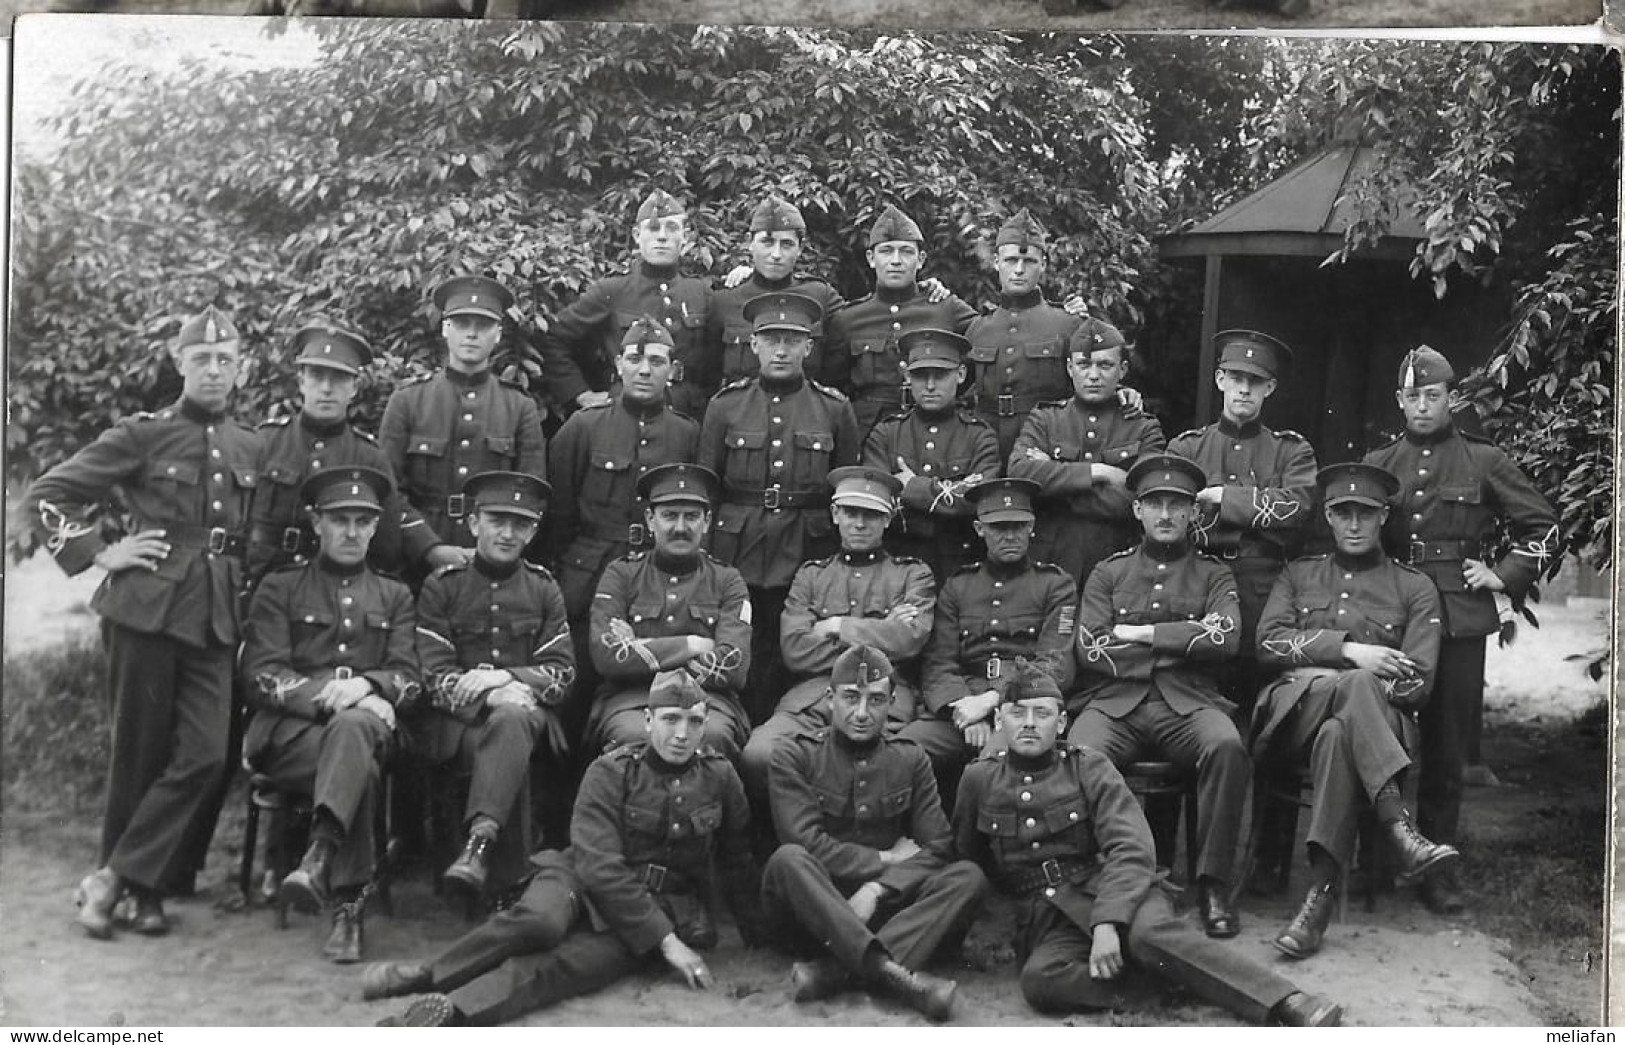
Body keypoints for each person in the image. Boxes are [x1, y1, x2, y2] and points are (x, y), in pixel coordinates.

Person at [24, 305, 257, 940]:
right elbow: (47, 494)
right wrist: (99, 552)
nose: (213, 369)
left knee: (207, 755)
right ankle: (143, 891)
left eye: (225, 359)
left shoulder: (250, 446)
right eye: (201, 359)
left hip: (215, 618)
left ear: (242, 369)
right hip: (144, 610)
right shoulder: (143, 435)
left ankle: (111, 878)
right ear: (178, 364)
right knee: (141, 755)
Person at [952, 662, 1343, 1027]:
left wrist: (1108, 920)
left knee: (1148, 936)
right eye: (1018, 713)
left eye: (1042, 714)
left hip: (1114, 887)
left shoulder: (1088, 766)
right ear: (1000, 719)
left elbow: (1131, 849)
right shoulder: (979, 780)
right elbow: (968, 858)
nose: (1030, 724)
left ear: (1062, 721)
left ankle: (1287, 1001)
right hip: (1049, 918)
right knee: (1041, 981)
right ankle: (1168, 985)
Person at [363, 670, 757, 1027]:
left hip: (651, 907)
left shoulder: (720, 776)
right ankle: (427, 973)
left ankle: (450, 1013)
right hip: (578, 879)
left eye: (694, 722)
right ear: (649, 720)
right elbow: (599, 866)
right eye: (671, 719)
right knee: (539, 923)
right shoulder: (611, 771)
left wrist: (758, 932)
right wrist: (668, 942)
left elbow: (737, 856)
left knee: (568, 968)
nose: (682, 734)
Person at [1360, 345, 1559, 915]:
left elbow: (1542, 525)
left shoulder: (1484, 460)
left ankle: (1438, 871)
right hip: (1392, 613)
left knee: (1447, 748)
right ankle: (1374, 859)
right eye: (1412, 396)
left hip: (1458, 612)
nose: (1422, 405)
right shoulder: (1380, 462)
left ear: (1453, 399)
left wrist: (1502, 575)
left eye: (1433, 396)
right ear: (1399, 401)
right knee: (1382, 735)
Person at [1251, 463, 1459, 959]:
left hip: (1368, 727)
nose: (1353, 524)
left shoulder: (1414, 588)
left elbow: (1417, 684)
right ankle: (1399, 828)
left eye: (1364, 514)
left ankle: (1316, 903)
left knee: (1337, 739)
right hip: (1292, 716)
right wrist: (1348, 653)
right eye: (1342, 513)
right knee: (1360, 681)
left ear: (1383, 516)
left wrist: (1357, 681)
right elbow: (1267, 645)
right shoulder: (1298, 574)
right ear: (1327, 516)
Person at [241, 466, 420, 963]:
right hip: (288, 738)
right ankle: (348, 909)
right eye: (340, 519)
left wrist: (367, 685)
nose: (352, 531)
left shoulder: (395, 595)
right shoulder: (282, 586)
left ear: (376, 526)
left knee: (354, 734)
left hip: (365, 730)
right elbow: (260, 672)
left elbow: (410, 678)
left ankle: (320, 858)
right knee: (355, 746)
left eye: (364, 521)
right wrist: (335, 695)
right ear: (316, 523)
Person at [1066, 453, 1247, 939]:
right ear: (1137, 511)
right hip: (1116, 701)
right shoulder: (1108, 573)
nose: (1166, 515)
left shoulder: (1214, 575)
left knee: (1226, 747)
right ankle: (1098, 878)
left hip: (1187, 703)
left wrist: (1141, 634)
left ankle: (1211, 884)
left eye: (1177, 505)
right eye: (1155, 504)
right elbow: (1092, 650)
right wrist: (1185, 640)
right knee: (1080, 752)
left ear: (1192, 513)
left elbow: (1225, 640)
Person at [763, 645, 988, 1022]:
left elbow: (938, 847)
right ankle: (891, 974)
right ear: (830, 699)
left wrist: (876, 889)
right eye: (851, 698)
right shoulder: (794, 754)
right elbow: (805, 843)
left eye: (876, 700)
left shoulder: (910, 758)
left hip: (882, 908)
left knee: (969, 877)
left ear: (892, 702)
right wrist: (884, 859)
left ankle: (834, 972)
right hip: (818, 910)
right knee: (789, 860)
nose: (863, 713)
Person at [412, 471, 575, 899]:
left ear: (534, 530)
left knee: (513, 719)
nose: (507, 533)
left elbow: (561, 674)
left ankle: (479, 849)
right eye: (496, 521)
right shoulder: (442, 586)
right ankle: (508, 883)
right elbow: (434, 676)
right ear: (472, 523)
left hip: (528, 720)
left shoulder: (543, 588)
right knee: (509, 724)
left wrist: (506, 677)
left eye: (520, 524)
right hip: (458, 729)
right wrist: (492, 695)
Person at [699, 291, 860, 722]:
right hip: (738, 550)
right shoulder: (725, 406)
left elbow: (843, 493)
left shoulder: (834, 409)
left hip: (806, 553)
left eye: (792, 340)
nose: (782, 350)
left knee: (797, 658)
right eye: (772, 340)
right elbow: (707, 488)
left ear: (809, 346)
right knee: (741, 652)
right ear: (753, 344)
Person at [739, 466, 935, 817]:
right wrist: (881, 629)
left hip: (884, 700)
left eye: (872, 515)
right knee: (759, 754)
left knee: (885, 761)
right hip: (814, 698)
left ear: (888, 519)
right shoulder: (811, 575)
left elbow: (909, 640)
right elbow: (796, 650)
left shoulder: (912, 574)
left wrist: (836, 625)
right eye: (851, 513)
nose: (860, 523)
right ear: (835, 514)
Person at [545, 315, 700, 703]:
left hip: (660, 577)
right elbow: (558, 514)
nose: (644, 370)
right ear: (618, 365)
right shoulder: (583, 427)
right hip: (590, 574)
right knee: (580, 682)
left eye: (657, 362)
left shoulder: (687, 434)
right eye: (634, 359)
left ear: (673, 370)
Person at [1167, 329, 1317, 713]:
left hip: (1262, 582)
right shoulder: (1187, 448)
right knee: (1200, 684)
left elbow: (1298, 507)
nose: (1244, 390)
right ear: (1220, 381)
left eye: (1255, 381)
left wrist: (1221, 498)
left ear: (1270, 388)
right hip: (1197, 580)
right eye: (1236, 379)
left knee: (1257, 685)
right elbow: (1170, 513)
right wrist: (1257, 509)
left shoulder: (1289, 450)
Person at [907, 477, 1077, 777]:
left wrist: (992, 702)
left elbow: (1055, 664)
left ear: (1031, 527)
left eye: (1018, 526)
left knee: (990, 770)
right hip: (961, 707)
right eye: (999, 527)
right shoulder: (958, 586)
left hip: (1024, 706)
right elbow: (938, 662)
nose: (1010, 536)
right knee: (903, 752)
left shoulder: (1055, 584)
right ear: (979, 530)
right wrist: (965, 710)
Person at [378, 275, 547, 572]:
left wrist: (490, 553)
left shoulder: (519, 407)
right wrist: (429, 548)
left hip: (492, 562)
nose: (471, 334)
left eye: (482, 326)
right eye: (461, 324)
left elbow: (529, 493)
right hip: (416, 561)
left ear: (497, 334)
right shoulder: (407, 400)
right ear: (445, 329)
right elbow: (388, 489)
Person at [586, 463, 751, 759]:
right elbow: (606, 657)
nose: (680, 527)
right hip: (633, 699)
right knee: (632, 733)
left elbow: (734, 667)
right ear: (650, 519)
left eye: (691, 517)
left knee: (713, 734)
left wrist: (640, 648)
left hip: (707, 700)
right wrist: (692, 645)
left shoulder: (728, 580)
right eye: (669, 516)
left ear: (707, 521)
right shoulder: (621, 574)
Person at [247, 320, 430, 585]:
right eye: (317, 376)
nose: (326, 389)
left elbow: (386, 551)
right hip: (266, 589)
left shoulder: (370, 459)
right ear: (301, 381)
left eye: (338, 379)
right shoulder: (264, 443)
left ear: (354, 388)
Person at [1007, 318, 1166, 590]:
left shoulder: (1143, 428)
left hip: (1118, 565)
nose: (1093, 375)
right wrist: (1100, 473)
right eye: (1083, 364)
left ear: (1122, 370)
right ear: (1070, 368)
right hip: (1050, 565)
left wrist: (1055, 487)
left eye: (1104, 365)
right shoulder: (1045, 419)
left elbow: (1142, 498)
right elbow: (1020, 474)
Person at [537, 188, 714, 421]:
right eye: (653, 228)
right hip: (622, 415)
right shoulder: (612, 291)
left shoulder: (700, 293)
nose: (662, 237)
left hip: (687, 416)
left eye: (672, 228)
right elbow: (553, 337)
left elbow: (718, 358)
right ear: (637, 235)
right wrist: (579, 394)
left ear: (686, 237)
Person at [822, 203, 979, 433]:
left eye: (906, 252)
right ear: (871, 258)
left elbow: (984, 344)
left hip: (933, 428)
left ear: (921, 260)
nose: (896, 260)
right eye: (886, 251)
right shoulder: (848, 319)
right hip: (868, 432)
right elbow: (832, 386)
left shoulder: (945, 307)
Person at [862, 328, 1002, 583]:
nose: (929, 385)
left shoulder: (980, 436)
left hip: (962, 565)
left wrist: (912, 487)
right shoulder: (886, 433)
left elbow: (977, 499)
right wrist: (946, 495)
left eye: (940, 375)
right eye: (920, 375)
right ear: (907, 376)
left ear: (960, 374)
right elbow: (877, 499)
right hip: (896, 565)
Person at [965, 208, 1086, 460]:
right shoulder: (978, 328)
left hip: (1045, 445)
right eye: (1011, 261)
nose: (1019, 269)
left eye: (1029, 261)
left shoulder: (1066, 324)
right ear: (997, 263)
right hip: (987, 447)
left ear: (1042, 265)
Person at [708, 193, 847, 391]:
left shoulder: (821, 297)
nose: (776, 254)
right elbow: (706, 373)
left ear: (800, 249)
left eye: (787, 244)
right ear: (750, 243)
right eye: (767, 242)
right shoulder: (725, 300)